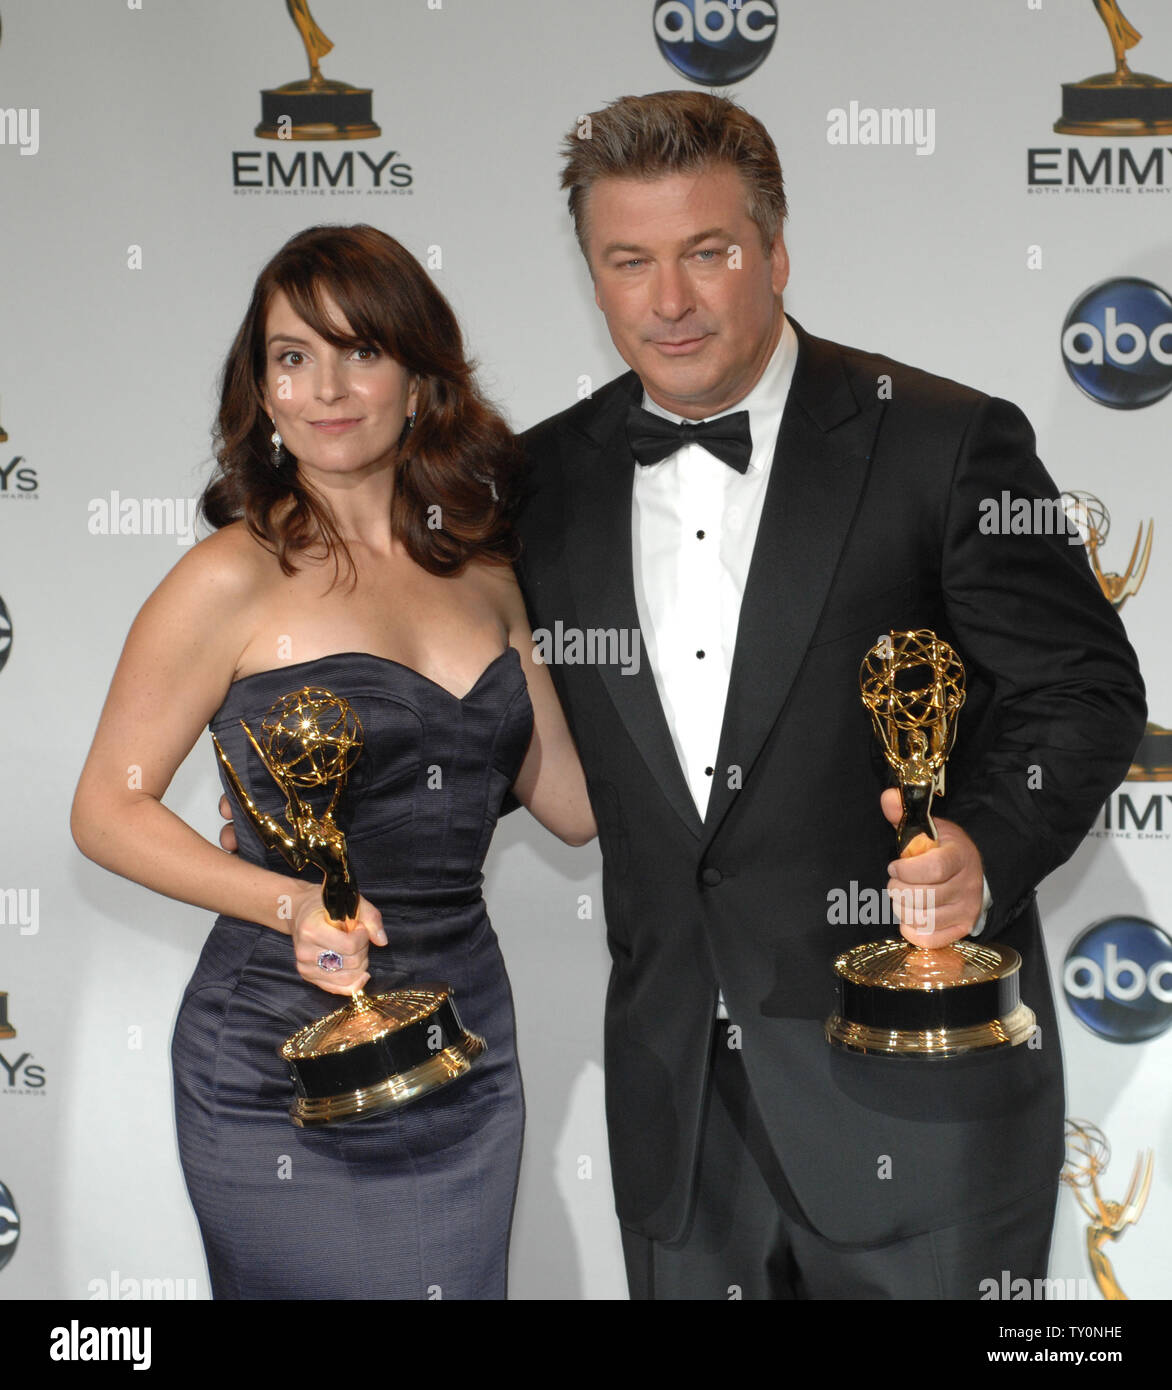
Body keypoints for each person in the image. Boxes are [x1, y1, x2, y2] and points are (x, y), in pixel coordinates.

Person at [512, 91, 1146, 1299]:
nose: (668, 301)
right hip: (679, 1121)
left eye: (707, 253)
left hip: (920, 1094)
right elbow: (493, 714)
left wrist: (986, 847)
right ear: (592, 275)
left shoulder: (942, 443)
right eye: (627, 261)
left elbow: (1082, 689)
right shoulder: (537, 482)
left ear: (774, 249)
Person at [71, 224, 595, 1301]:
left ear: (419, 377)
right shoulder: (228, 578)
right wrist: (292, 903)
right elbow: (106, 811)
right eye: (290, 356)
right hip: (284, 1050)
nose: (325, 386)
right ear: (259, 391)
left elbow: (576, 806)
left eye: (360, 350)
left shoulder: (488, 570)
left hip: (463, 1039)